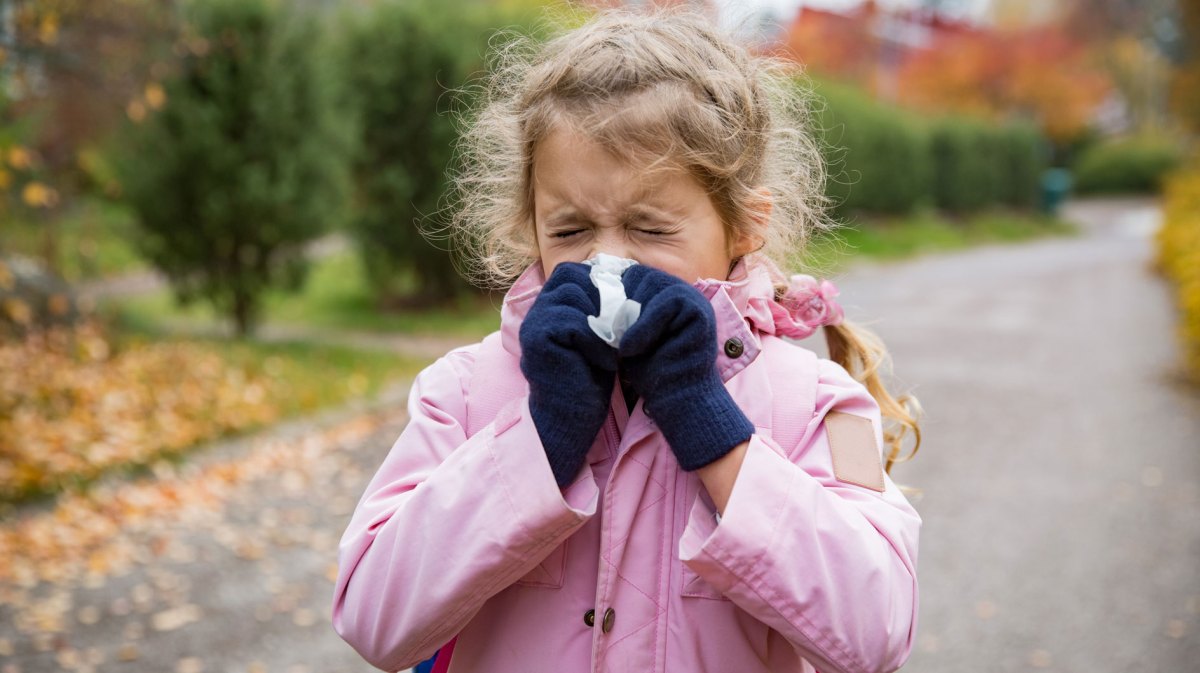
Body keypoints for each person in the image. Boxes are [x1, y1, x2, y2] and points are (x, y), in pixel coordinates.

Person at [332, 8, 923, 673]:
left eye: (649, 227)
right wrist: (542, 437)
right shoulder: (465, 392)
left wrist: (709, 426)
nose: (604, 264)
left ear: (744, 224)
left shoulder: (815, 403)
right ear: (529, 223)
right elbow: (373, 620)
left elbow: (877, 635)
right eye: (570, 229)